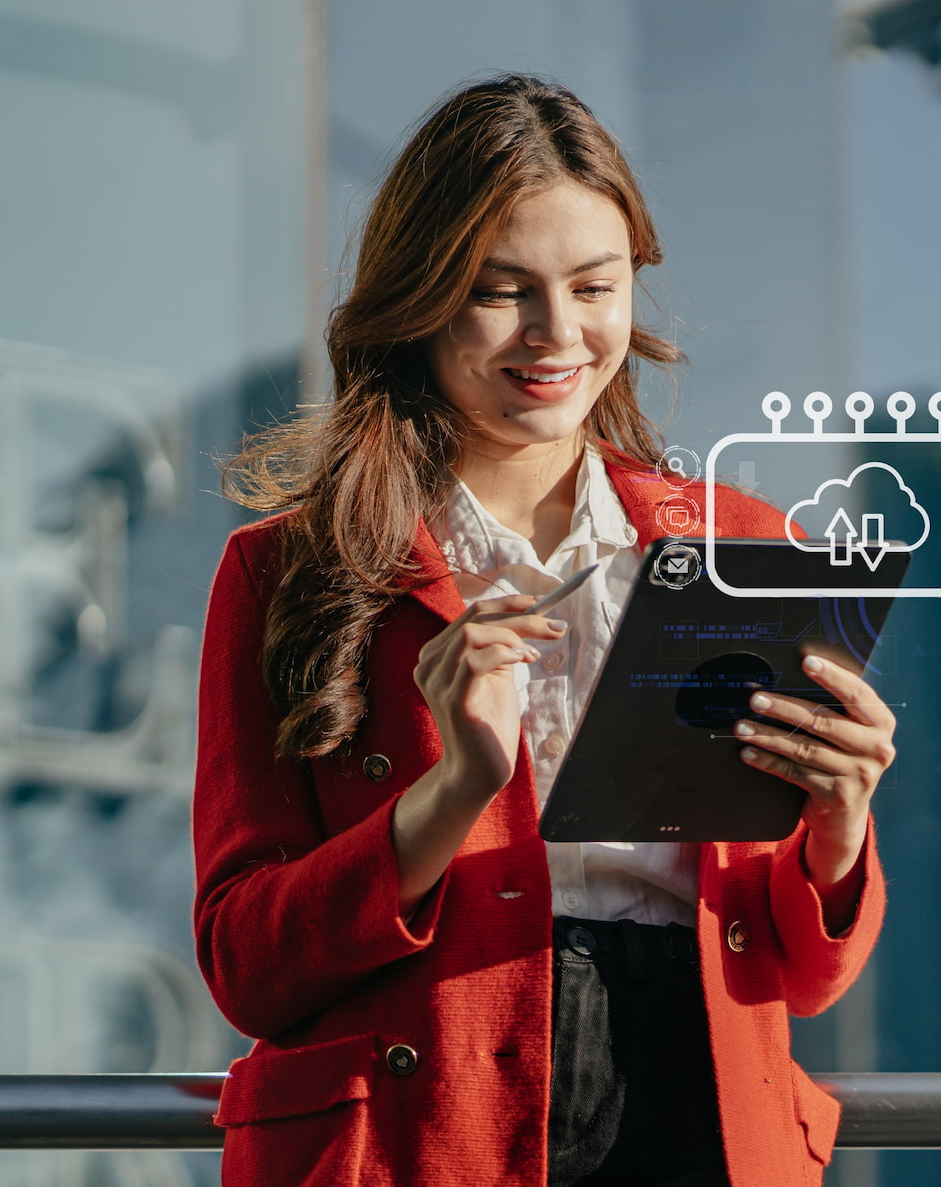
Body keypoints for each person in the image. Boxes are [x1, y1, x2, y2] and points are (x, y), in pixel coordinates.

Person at [193, 74, 894, 1187]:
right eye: (499, 289)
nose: (556, 334)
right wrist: (449, 790)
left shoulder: (739, 545)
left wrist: (838, 825)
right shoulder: (293, 571)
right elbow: (247, 966)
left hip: (704, 1115)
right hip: (427, 1127)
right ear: (419, 299)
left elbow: (801, 977)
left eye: (593, 286)